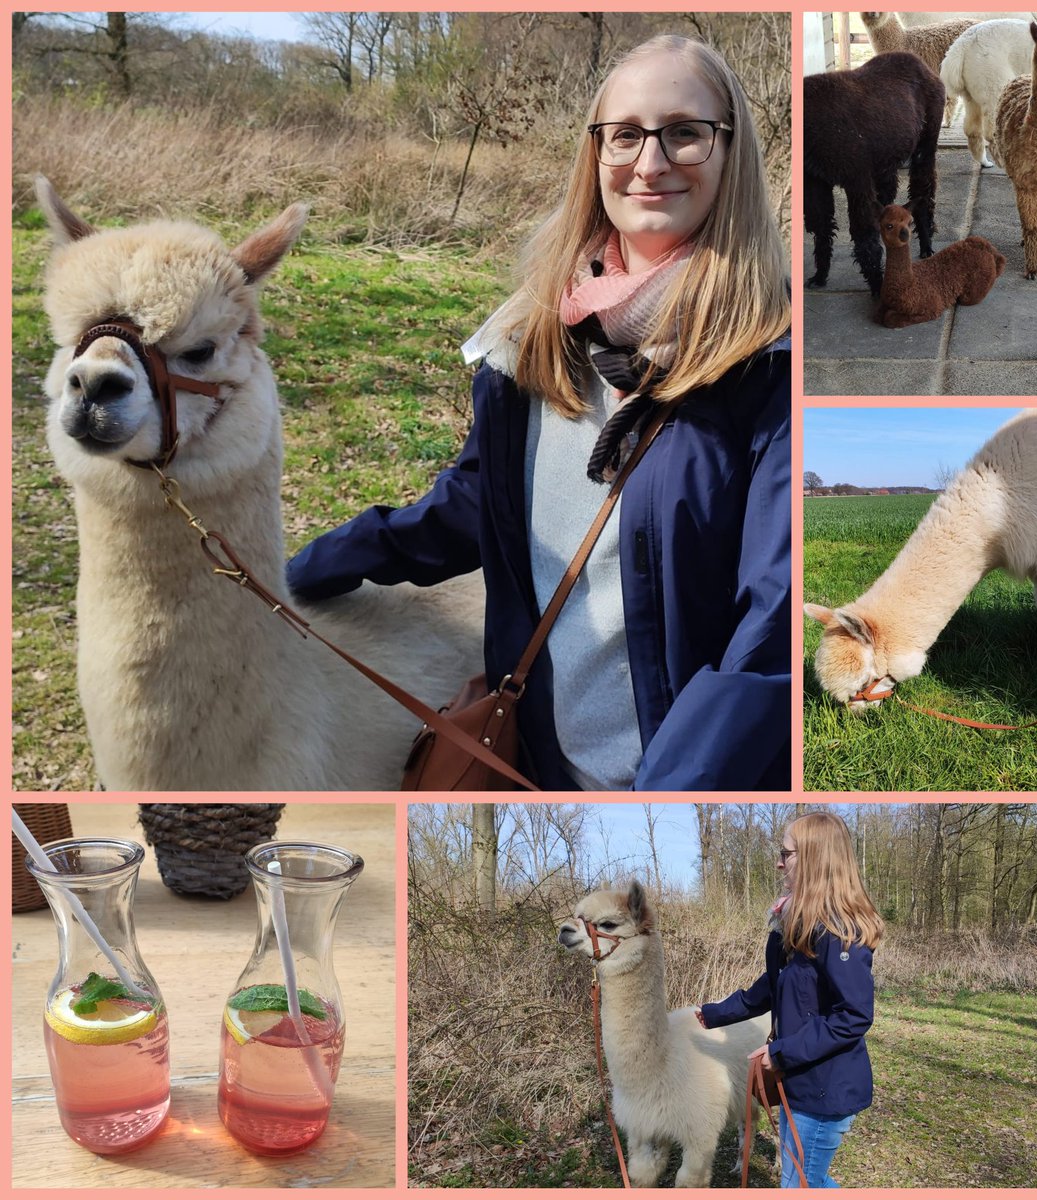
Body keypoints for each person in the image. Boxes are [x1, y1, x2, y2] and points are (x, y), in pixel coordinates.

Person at [286, 34, 791, 791]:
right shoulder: (534, 342)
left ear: (730, 151)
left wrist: (670, 794)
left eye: (685, 133)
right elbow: (476, 504)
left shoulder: (772, 370)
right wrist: (312, 564)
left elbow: (772, 624)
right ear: (596, 154)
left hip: (679, 781)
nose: (650, 163)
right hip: (543, 770)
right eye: (625, 135)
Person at [696, 811, 882, 1188]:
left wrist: (780, 1053)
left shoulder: (838, 931)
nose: (779, 862)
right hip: (802, 1083)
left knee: (798, 1185)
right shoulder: (798, 922)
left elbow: (854, 1016)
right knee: (807, 1181)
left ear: (815, 858)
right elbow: (772, 986)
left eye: (787, 853)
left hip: (824, 1090)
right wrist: (712, 1015)